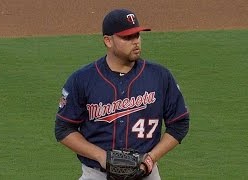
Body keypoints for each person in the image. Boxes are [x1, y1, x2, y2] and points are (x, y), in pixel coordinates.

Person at [55, 8, 190, 180]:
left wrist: (150, 159)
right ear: (108, 41)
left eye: (137, 35)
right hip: (96, 175)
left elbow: (179, 123)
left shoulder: (160, 77)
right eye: (127, 37)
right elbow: (64, 129)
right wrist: (101, 157)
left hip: (146, 174)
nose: (136, 42)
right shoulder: (82, 79)